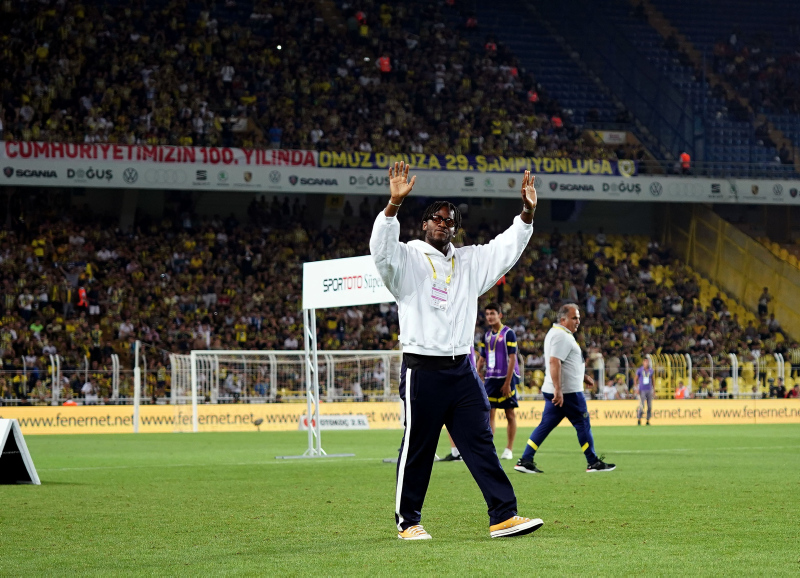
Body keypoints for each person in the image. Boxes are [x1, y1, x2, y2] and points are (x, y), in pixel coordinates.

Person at [371, 162, 542, 540]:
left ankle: (503, 515)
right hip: (423, 369)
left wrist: (527, 214)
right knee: (418, 446)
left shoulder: (467, 261)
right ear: (424, 224)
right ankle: (408, 522)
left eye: (451, 222)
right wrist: (392, 207)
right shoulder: (406, 258)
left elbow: (504, 250)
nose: (444, 225)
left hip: (462, 370)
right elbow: (380, 253)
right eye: (437, 218)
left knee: (480, 442)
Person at [514, 304, 615, 474]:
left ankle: (525, 460)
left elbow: (565, 362)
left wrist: (583, 376)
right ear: (563, 319)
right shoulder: (562, 336)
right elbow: (555, 362)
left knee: (545, 426)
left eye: (579, 318)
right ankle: (593, 462)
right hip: (568, 393)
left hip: (560, 390)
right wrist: (559, 390)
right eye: (574, 318)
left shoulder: (557, 333)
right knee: (583, 424)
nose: (578, 321)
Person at [476, 303, 519, 461]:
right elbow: (482, 357)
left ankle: (509, 449)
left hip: (505, 378)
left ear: (500, 315)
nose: (489, 317)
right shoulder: (486, 335)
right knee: (489, 413)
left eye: (493, 313)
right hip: (491, 379)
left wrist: (508, 383)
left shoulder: (509, 333)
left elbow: (513, 358)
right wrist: (477, 372)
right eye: (487, 314)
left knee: (510, 413)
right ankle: (490, 447)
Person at [635, 357, 655, 425]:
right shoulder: (640, 370)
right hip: (642, 389)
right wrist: (637, 388)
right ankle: (639, 419)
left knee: (649, 406)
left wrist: (653, 389)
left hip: (649, 389)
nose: (647, 363)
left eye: (647, 362)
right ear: (643, 362)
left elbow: (653, 380)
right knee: (642, 405)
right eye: (645, 362)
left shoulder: (651, 370)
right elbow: (635, 379)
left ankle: (648, 420)